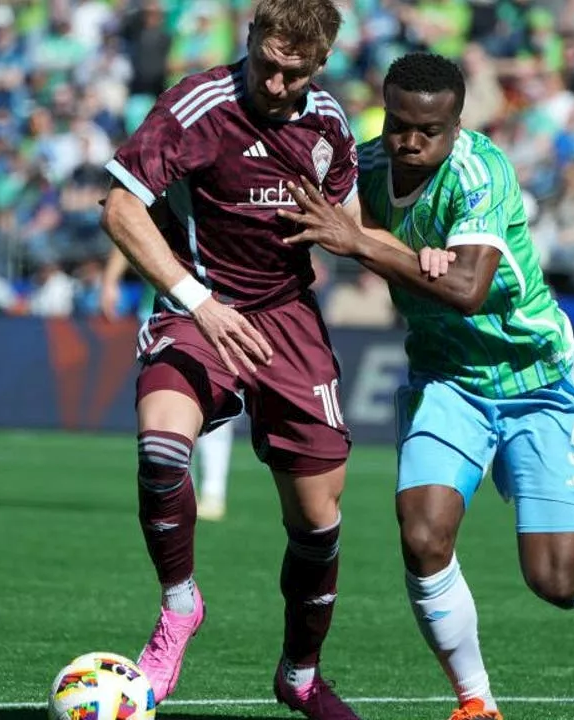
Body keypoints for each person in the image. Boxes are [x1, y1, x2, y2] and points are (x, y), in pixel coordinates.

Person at [280, 53, 574, 720]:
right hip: (446, 380)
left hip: (536, 381)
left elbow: (467, 290)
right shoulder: (362, 168)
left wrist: (361, 243)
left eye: (429, 130)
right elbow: (299, 212)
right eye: (397, 125)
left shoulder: (481, 172)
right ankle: (476, 703)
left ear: (457, 126)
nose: (410, 142)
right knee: (422, 535)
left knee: (553, 579)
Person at [98, 1, 403, 716]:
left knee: (317, 523)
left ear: (319, 65)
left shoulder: (328, 124)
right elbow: (119, 208)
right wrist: (196, 301)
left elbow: (349, 231)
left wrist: (405, 255)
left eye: (292, 73)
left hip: (288, 323)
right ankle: (179, 607)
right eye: (266, 63)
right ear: (251, 41)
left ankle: (300, 674)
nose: (274, 82)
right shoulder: (198, 106)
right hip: (200, 307)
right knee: (162, 451)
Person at [101, 246, 235, 521]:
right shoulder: (165, 202)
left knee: (216, 393)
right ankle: (186, 488)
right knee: (172, 400)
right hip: (163, 308)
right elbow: (128, 221)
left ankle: (213, 491)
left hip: (219, 302)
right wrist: (110, 280)